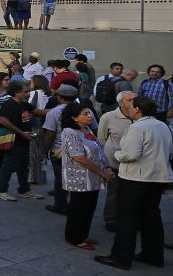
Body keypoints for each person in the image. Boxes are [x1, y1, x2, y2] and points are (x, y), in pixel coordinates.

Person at [94, 96, 173, 270]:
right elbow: (170, 152)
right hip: (158, 179)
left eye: (131, 107)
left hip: (136, 179)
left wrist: (117, 154)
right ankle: (153, 255)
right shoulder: (163, 125)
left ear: (137, 109)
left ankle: (120, 258)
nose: (129, 109)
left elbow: (130, 154)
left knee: (127, 219)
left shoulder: (137, 127)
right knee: (151, 217)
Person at [60, 102, 112, 250]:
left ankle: (83, 234)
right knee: (79, 209)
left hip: (92, 177)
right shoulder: (70, 132)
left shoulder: (86, 129)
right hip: (80, 178)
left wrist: (106, 168)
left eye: (90, 113)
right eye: (85, 114)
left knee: (89, 208)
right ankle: (75, 238)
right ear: (74, 118)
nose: (90, 116)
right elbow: (79, 157)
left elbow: (98, 149)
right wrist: (102, 172)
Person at [0, 79, 45, 201]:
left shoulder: (24, 104)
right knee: (9, 165)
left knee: (23, 166)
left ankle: (24, 189)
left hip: (24, 140)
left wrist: (59, 109)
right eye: (26, 91)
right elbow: (3, 120)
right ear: (17, 92)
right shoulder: (9, 104)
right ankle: (1, 190)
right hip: (13, 141)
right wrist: (21, 133)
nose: (28, 94)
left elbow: (38, 111)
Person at [97, 91, 135, 233]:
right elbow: (101, 139)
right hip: (114, 162)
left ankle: (130, 219)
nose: (133, 102)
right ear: (120, 102)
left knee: (131, 194)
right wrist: (104, 163)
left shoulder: (140, 116)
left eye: (135, 99)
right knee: (114, 193)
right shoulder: (109, 117)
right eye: (129, 100)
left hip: (135, 163)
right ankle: (111, 219)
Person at [42, 84, 78, 214]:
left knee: (60, 178)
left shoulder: (54, 112)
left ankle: (60, 205)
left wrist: (44, 151)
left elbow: (50, 134)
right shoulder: (84, 110)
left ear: (60, 97)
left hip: (59, 151)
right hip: (78, 149)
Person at [27, 75, 52, 185]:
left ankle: (33, 177)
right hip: (45, 125)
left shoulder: (34, 93)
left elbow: (29, 107)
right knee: (42, 153)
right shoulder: (48, 94)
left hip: (35, 125)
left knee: (33, 152)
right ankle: (42, 177)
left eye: (31, 81)